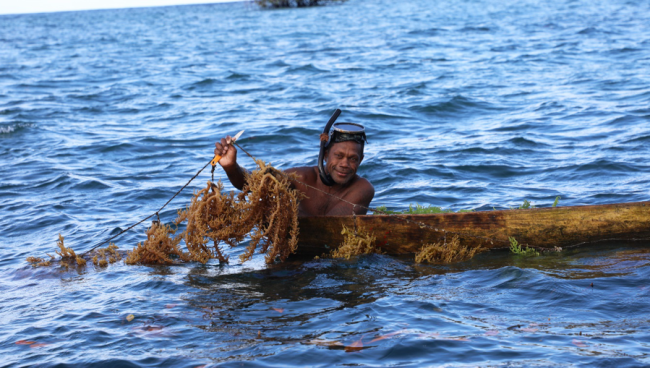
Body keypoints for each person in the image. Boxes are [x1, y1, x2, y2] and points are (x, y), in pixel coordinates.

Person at [214, 121, 374, 216]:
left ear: (361, 160)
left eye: (352, 159)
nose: (345, 164)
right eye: (338, 156)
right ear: (325, 155)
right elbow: (253, 183)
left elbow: (332, 227)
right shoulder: (301, 178)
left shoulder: (363, 189)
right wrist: (231, 167)